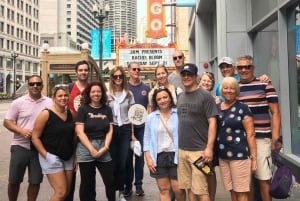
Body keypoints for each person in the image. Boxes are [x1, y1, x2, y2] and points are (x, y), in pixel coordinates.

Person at [236, 55, 281, 201]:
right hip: (242, 141)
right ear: (237, 70)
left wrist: (275, 138)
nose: (244, 70)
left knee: (263, 179)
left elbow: (275, 113)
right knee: (247, 182)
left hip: (261, 138)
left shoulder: (265, 85)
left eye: (247, 66)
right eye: (240, 67)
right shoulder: (235, 89)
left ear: (253, 68)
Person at [3, 75, 53, 201]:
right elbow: (7, 122)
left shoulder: (50, 102)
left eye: (38, 83)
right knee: (14, 180)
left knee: (35, 181)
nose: (35, 86)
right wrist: (21, 130)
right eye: (32, 84)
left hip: (39, 148)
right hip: (20, 146)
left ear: (42, 85)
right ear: (28, 85)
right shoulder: (18, 102)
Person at [176, 63, 218, 201]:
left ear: (196, 76)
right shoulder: (181, 96)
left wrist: (209, 148)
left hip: (200, 152)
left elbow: (213, 122)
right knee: (190, 189)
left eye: (190, 74)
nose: (186, 77)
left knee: (201, 190)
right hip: (183, 151)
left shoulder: (205, 96)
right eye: (184, 74)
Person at [31, 86, 75, 201]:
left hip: (68, 157)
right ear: (54, 98)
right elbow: (35, 137)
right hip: (51, 156)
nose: (63, 98)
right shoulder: (46, 114)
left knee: (67, 191)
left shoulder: (70, 113)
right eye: (60, 96)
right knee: (61, 192)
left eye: (65, 95)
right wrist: (46, 155)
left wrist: (74, 157)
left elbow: (73, 137)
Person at [217, 77, 257, 201]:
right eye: (226, 88)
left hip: (239, 155)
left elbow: (251, 134)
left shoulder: (243, 108)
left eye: (232, 88)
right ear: (222, 90)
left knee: (241, 192)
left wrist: (253, 158)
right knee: (232, 191)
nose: (229, 91)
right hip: (223, 157)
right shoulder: (216, 107)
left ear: (236, 90)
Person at [144, 86, 185, 201]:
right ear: (156, 102)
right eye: (159, 99)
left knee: (179, 189)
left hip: (176, 155)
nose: (163, 100)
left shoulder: (178, 114)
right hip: (159, 157)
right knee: (164, 189)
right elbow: (146, 139)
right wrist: (148, 158)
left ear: (170, 98)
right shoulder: (151, 117)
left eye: (165, 97)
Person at [75, 81, 115, 201]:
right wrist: (92, 149)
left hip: (103, 145)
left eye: (98, 91)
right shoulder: (83, 109)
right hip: (86, 147)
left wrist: (105, 147)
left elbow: (110, 130)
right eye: (93, 91)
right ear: (89, 93)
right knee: (87, 184)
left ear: (102, 93)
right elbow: (80, 132)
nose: (96, 94)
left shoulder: (107, 109)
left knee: (110, 182)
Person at [66, 60, 96, 201]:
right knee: (69, 172)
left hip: (88, 134)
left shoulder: (93, 89)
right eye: (81, 70)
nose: (83, 72)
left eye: (86, 70)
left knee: (88, 175)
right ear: (76, 72)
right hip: (70, 134)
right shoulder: (69, 88)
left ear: (88, 72)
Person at [107, 66, 135, 201]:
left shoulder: (129, 94)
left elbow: (132, 116)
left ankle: (121, 192)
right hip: (112, 129)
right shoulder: (107, 95)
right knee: (113, 162)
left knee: (123, 162)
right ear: (112, 78)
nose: (118, 78)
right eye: (115, 76)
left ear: (124, 78)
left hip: (125, 129)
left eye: (120, 76)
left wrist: (133, 134)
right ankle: (113, 193)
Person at [125, 62, 150, 197]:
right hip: (127, 128)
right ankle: (127, 185)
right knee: (127, 158)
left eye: (138, 69)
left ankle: (138, 185)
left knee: (140, 158)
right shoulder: (124, 88)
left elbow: (150, 108)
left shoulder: (146, 88)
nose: (136, 71)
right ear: (129, 71)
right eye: (134, 69)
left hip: (142, 128)